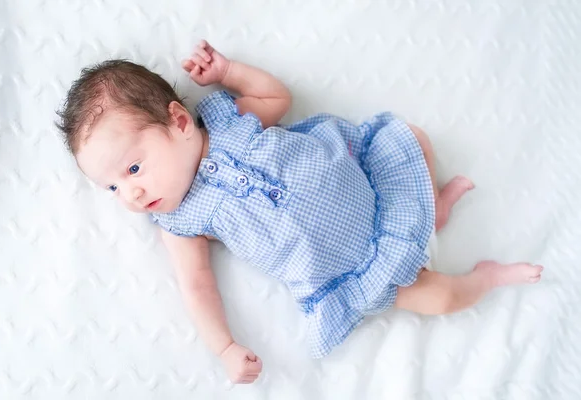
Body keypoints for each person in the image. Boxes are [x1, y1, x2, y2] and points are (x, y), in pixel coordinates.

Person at [56, 40, 543, 384]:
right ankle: (485, 278)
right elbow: (196, 288)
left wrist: (228, 72)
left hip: (366, 181)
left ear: (179, 122)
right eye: (112, 187)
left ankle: (428, 212)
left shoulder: (228, 120)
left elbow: (277, 96)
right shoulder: (180, 221)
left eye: (134, 167)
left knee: (412, 138)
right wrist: (223, 347)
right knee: (439, 298)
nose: (131, 195)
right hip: (353, 267)